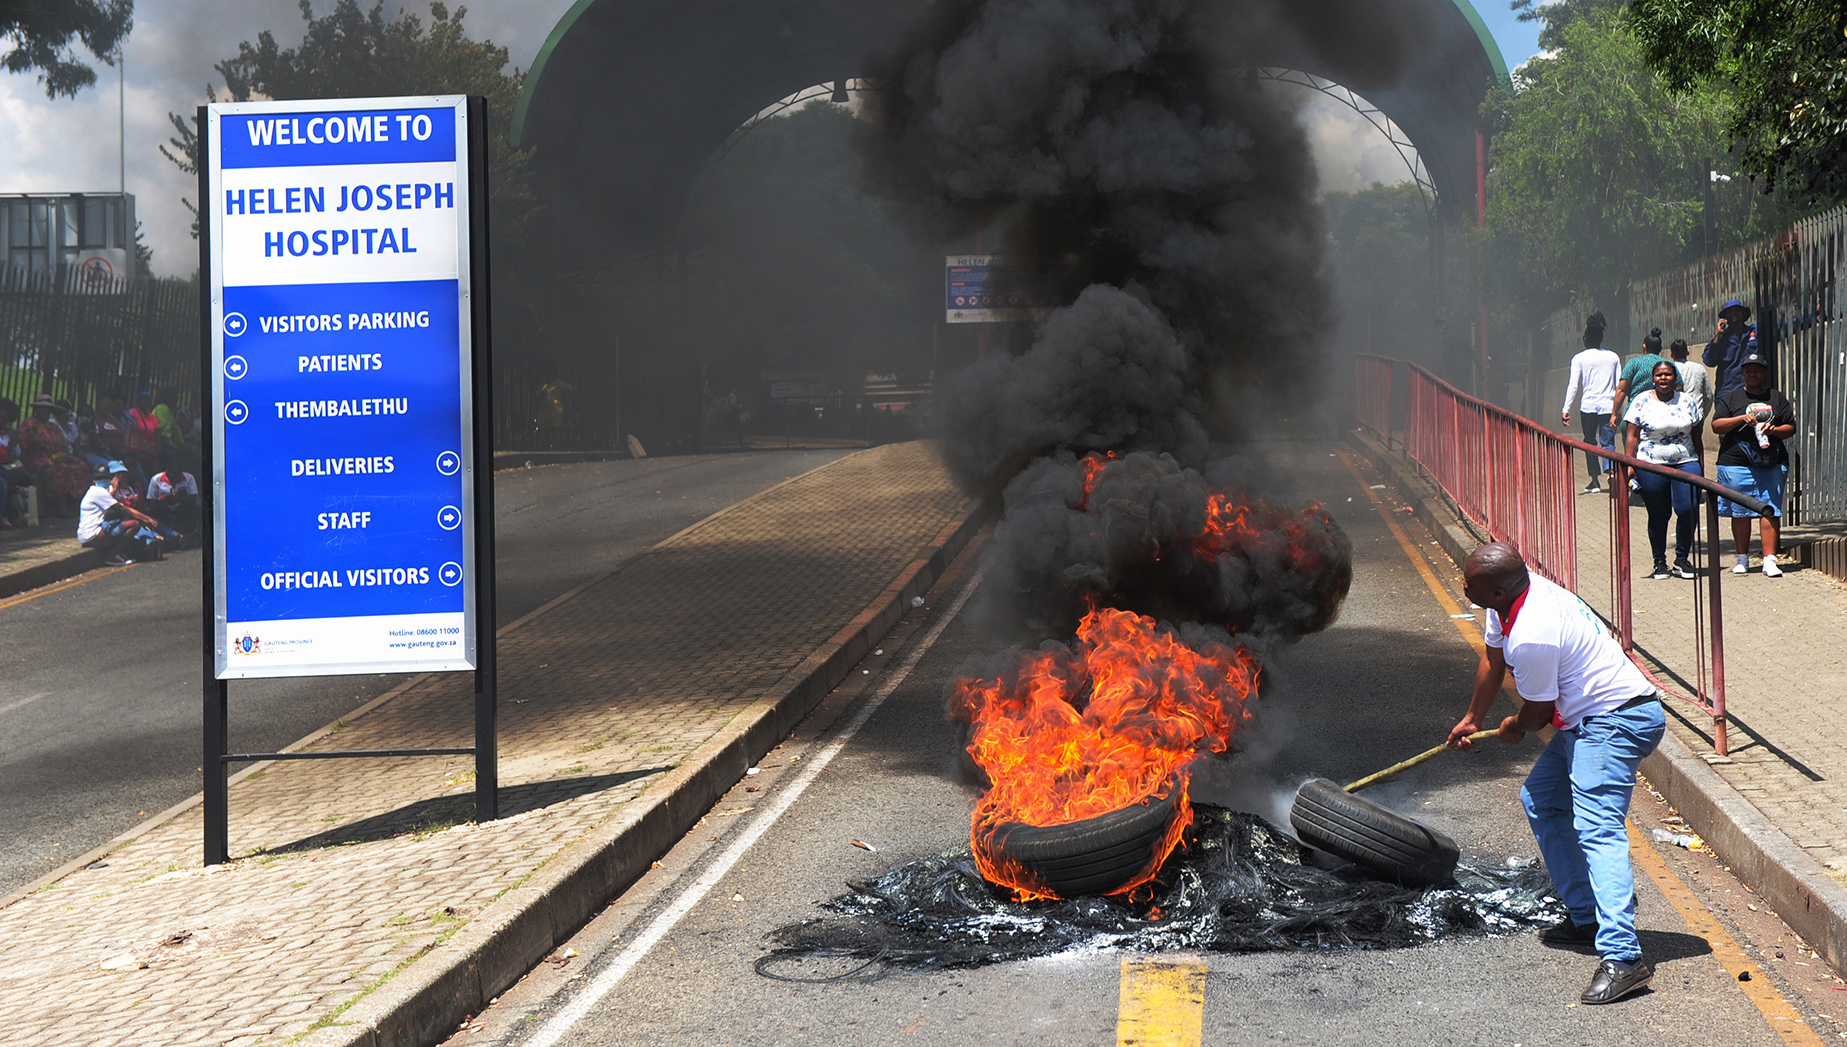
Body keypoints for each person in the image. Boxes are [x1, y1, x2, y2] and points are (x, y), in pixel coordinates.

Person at [1448, 542, 1664, 1005]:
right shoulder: (1506, 603)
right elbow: (1492, 658)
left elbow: (1538, 712)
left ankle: (1624, 958)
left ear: (1500, 588)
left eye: (1471, 583)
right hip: (1586, 721)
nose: (1463, 586)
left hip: (1615, 719)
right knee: (1541, 799)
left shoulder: (1533, 630)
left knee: (1598, 829)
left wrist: (1511, 727)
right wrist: (1474, 718)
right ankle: (1587, 917)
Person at [1712, 352, 1795, 577]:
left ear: (1764, 373)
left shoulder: (1776, 398)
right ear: (1743, 374)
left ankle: (1769, 560)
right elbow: (1717, 425)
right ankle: (1742, 559)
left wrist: (1774, 430)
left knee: (1770, 509)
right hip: (1736, 463)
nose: (1753, 374)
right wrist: (1740, 419)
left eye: (1757, 370)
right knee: (1740, 512)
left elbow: (1790, 427)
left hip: (1772, 462)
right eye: (1748, 370)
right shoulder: (1731, 399)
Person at [1624, 360, 1706, 580]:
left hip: (1685, 461)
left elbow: (1696, 436)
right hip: (1650, 464)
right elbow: (1631, 435)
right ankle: (1659, 562)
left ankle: (1681, 560)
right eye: (1659, 375)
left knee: (1687, 509)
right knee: (1659, 514)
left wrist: (1700, 465)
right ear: (1653, 378)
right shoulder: (1641, 401)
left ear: (1674, 378)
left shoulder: (1687, 401)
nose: (1663, 378)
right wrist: (1630, 464)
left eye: (1668, 374)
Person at [1561, 321, 1621, 493]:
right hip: (1609, 406)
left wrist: (1566, 409)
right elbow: (1619, 385)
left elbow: (1573, 385)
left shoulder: (1579, 358)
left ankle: (1594, 480)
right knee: (1608, 441)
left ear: (1585, 339)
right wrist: (1618, 409)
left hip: (1588, 407)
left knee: (1589, 442)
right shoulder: (1613, 357)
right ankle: (1610, 471)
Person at [77, 460, 163, 565]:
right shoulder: (97, 492)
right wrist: (145, 519)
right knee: (134, 524)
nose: (104, 480)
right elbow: (122, 509)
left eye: (106, 478)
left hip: (101, 529)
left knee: (125, 524)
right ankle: (112, 556)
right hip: (92, 534)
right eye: (101, 478)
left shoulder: (102, 490)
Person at [17, 394, 89, 517]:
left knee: (80, 465)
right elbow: (23, 446)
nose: (45, 411)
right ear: (37, 409)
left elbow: (64, 444)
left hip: (58, 457)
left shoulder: (53, 426)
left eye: (48, 409)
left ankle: (76, 502)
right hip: (37, 458)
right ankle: (61, 505)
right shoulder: (28, 425)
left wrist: (65, 455)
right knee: (60, 469)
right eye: (42, 408)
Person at [1609, 326, 1676, 429]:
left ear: (1644, 347)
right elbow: (1679, 388)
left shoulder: (1633, 363)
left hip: (1634, 416)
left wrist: (1614, 414)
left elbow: (1621, 389)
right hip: (1662, 416)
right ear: (1660, 349)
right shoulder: (1668, 366)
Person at [1703, 299, 1759, 400]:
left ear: (1742, 314)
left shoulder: (1754, 331)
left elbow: (1781, 327)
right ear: (1725, 318)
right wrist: (1718, 335)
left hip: (1751, 389)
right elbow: (1709, 361)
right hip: (1727, 391)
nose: (1733, 313)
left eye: (1736, 310)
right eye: (1729, 312)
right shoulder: (1720, 338)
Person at [146, 463, 201, 541]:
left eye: (177, 475)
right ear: (167, 472)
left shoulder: (189, 477)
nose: (175, 477)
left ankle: (194, 532)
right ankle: (176, 536)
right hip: (163, 507)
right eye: (172, 475)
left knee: (196, 504)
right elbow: (150, 500)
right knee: (155, 512)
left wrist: (177, 499)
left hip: (182, 506)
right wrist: (163, 501)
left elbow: (193, 497)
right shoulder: (156, 479)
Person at [1668, 339, 1711, 424]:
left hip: (1675, 418)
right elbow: (1708, 396)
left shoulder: (1669, 370)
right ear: (1688, 352)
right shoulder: (1699, 368)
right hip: (1696, 416)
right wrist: (1702, 415)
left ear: (1671, 354)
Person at [126, 391, 163, 473]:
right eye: (143, 399)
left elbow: (157, 434)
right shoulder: (132, 413)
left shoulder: (153, 418)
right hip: (136, 450)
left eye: (148, 400)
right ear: (138, 401)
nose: (146, 402)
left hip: (150, 450)